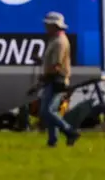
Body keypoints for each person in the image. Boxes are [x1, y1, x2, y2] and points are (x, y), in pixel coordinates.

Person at [29, 11, 80, 147]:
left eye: (48, 25)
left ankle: (70, 131)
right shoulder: (56, 40)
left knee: (47, 111)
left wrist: (44, 77)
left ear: (54, 26)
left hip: (56, 79)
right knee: (50, 111)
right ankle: (53, 140)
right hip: (52, 79)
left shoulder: (59, 42)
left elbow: (56, 65)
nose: (46, 27)